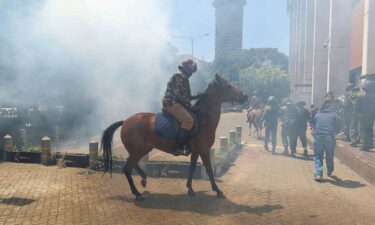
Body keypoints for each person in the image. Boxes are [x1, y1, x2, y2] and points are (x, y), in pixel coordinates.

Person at [162, 59, 200, 156]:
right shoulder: (179, 76)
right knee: (189, 121)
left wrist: (199, 96)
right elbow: (179, 95)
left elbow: (188, 96)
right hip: (171, 103)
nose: (191, 74)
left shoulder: (184, 78)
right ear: (186, 68)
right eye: (191, 71)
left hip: (179, 102)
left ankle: (187, 144)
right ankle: (178, 147)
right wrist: (190, 106)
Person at [312, 106, 340, 181]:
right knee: (330, 154)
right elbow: (338, 128)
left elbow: (313, 125)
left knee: (318, 155)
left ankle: (318, 175)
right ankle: (329, 171)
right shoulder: (334, 115)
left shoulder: (317, 115)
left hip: (318, 137)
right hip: (329, 138)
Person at [355, 78, 375, 151]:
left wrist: (359, 114)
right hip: (369, 116)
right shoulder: (372, 96)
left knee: (364, 130)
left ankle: (365, 145)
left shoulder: (360, 96)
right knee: (369, 130)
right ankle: (369, 144)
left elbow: (356, 107)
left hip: (364, 116)